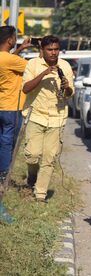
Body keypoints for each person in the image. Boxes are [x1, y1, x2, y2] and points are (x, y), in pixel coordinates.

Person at [21, 36, 74, 202]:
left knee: (49, 158)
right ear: (42, 50)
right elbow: (25, 88)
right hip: (36, 114)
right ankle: (32, 177)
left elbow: (70, 94)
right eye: (50, 50)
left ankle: (40, 195)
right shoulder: (33, 64)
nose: (53, 53)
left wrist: (66, 88)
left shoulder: (65, 66)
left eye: (56, 49)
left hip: (57, 118)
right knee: (32, 155)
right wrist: (44, 74)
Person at [0, 26, 32, 182]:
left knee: (2, 140)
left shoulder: (4, 58)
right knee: (8, 142)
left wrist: (20, 49)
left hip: (2, 105)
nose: (16, 40)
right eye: (15, 37)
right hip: (12, 107)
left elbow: (8, 61)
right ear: (9, 40)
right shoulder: (11, 60)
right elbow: (33, 68)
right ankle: (4, 175)